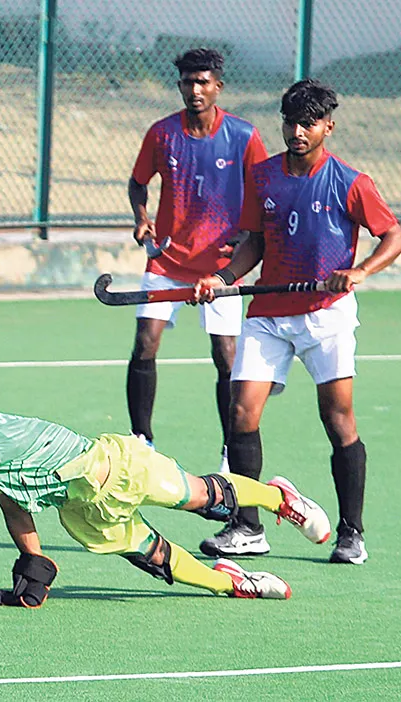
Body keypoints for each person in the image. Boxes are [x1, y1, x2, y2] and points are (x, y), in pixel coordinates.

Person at [192, 79, 401, 565]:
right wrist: (224, 277)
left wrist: (359, 270)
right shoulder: (264, 176)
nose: (297, 131)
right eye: (290, 122)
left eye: (308, 123)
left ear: (327, 126)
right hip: (270, 314)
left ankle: (351, 532)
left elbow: (394, 237)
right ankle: (248, 526)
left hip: (325, 315)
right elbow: (255, 242)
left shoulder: (351, 182)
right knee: (242, 412)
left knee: (338, 420)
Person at [0, 361, 332, 605]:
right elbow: (13, 505)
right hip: (81, 508)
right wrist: (32, 562)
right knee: (153, 556)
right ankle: (233, 582)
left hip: (117, 468)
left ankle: (280, 498)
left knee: (202, 496)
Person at [126, 47, 268, 467]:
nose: (195, 89)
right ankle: (141, 441)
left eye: (203, 81)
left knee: (226, 354)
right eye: (188, 82)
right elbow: (138, 183)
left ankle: (230, 450)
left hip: (221, 268)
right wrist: (142, 218)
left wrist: (246, 237)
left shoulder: (243, 136)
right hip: (167, 261)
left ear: (217, 87)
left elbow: (264, 193)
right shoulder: (161, 134)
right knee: (145, 342)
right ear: (180, 86)